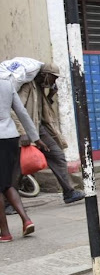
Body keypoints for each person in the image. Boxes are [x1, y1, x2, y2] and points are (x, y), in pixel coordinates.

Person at [11, 63, 85, 205]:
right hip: (27, 130)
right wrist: (23, 132)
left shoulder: (40, 88)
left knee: (57, 156)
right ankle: (9, 203)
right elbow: (16, 108)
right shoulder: (28, 86)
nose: (54, 82)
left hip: (39, 129)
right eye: (53, 78)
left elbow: (43, 111)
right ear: (45, 75)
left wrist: (51, 94)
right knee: (21, 166)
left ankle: (69, 192)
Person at [1, 78, 48, 242]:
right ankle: (26, 219)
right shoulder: (6, 84)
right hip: (10, 137)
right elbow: (22, 112)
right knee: (7, 183)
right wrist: (35, 137)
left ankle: (5, 233)